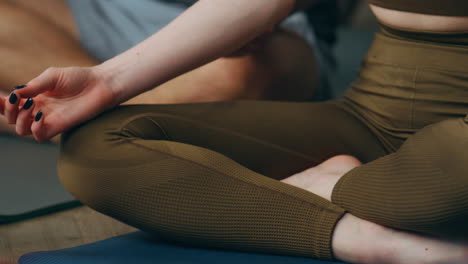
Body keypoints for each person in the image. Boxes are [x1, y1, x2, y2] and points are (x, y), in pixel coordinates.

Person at [2, 0, 468, 263]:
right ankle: (361, 236)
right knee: (95, 147)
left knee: (444, 184)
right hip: (371, 115)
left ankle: (332, 188)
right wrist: (106, 81)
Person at [0, 0, 336, 138]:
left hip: (246, 19)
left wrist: (107, 81)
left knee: (247, 76)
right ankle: (90, 117)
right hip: (109, 10)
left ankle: (75, 119)